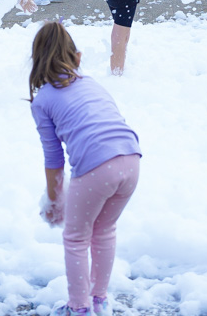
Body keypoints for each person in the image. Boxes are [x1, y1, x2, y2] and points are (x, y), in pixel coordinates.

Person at [28, 21, 141, 316]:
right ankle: (99, 300)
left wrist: (55, 199)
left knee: (76, 237)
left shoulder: (43, 100)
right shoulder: (91, 83)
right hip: (131, 158)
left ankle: (79, 308)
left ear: (37, 63)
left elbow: (54, 160)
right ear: (76, 57)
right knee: (104, 230)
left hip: (97, 167)